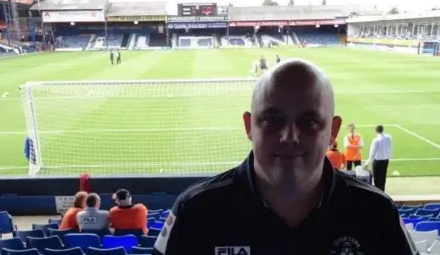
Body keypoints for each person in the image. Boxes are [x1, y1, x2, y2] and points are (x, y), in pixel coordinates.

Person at [152, 59, 418, 255]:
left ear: (333, 131)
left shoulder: (377, 214)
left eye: (309, 122)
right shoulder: (196, 211)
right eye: (272, 119)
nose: (289, 136)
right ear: (249, 126)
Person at [363, 125, 393, 191]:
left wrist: (366, 164)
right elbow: (389, 148)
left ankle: (378, 194)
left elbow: (372, 155)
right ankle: (383, 192)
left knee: (377, 180)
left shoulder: (376, 140)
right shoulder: (389, 137)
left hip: (377, 162)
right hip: (386, 161)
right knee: (383, 178)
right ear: (383, 130)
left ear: (376, 131)